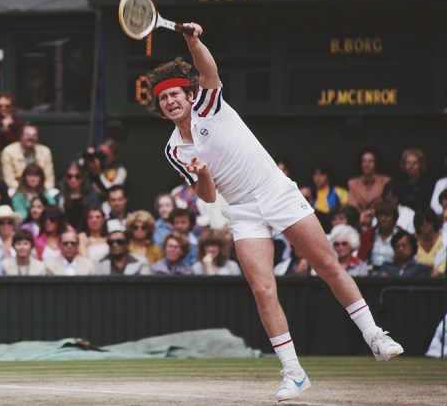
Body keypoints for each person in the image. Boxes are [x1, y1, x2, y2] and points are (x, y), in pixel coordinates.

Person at [148, 21, 401, 400]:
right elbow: (208, 197)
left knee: (328, 264)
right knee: (263, 289)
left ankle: (374, 335)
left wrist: (191, 40)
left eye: (175, 95)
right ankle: (294, 372)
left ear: (188, 95)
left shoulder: (208, 103)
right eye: (163, 100)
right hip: (243, 209)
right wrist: (202, 175)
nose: (171, 102)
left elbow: (209, 72)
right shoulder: (173, 150)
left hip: (275, 191)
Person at [1, 124, 55, 191]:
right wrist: (25, 189)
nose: (31, 138)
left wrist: (39, 189)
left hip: (41, 189)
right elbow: (9, 181)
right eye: (27, 135)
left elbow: (50, 180)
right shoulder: (8, 151)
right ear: (20, 136)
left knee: (53, 192)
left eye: (34, 135)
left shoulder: (45, 151)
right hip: (18, 189)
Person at [412, 208, 444, 274]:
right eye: (421, 222)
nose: (425, 224)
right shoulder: (412, 242)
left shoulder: (444, 240)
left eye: (428, 220)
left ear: (434, 222)